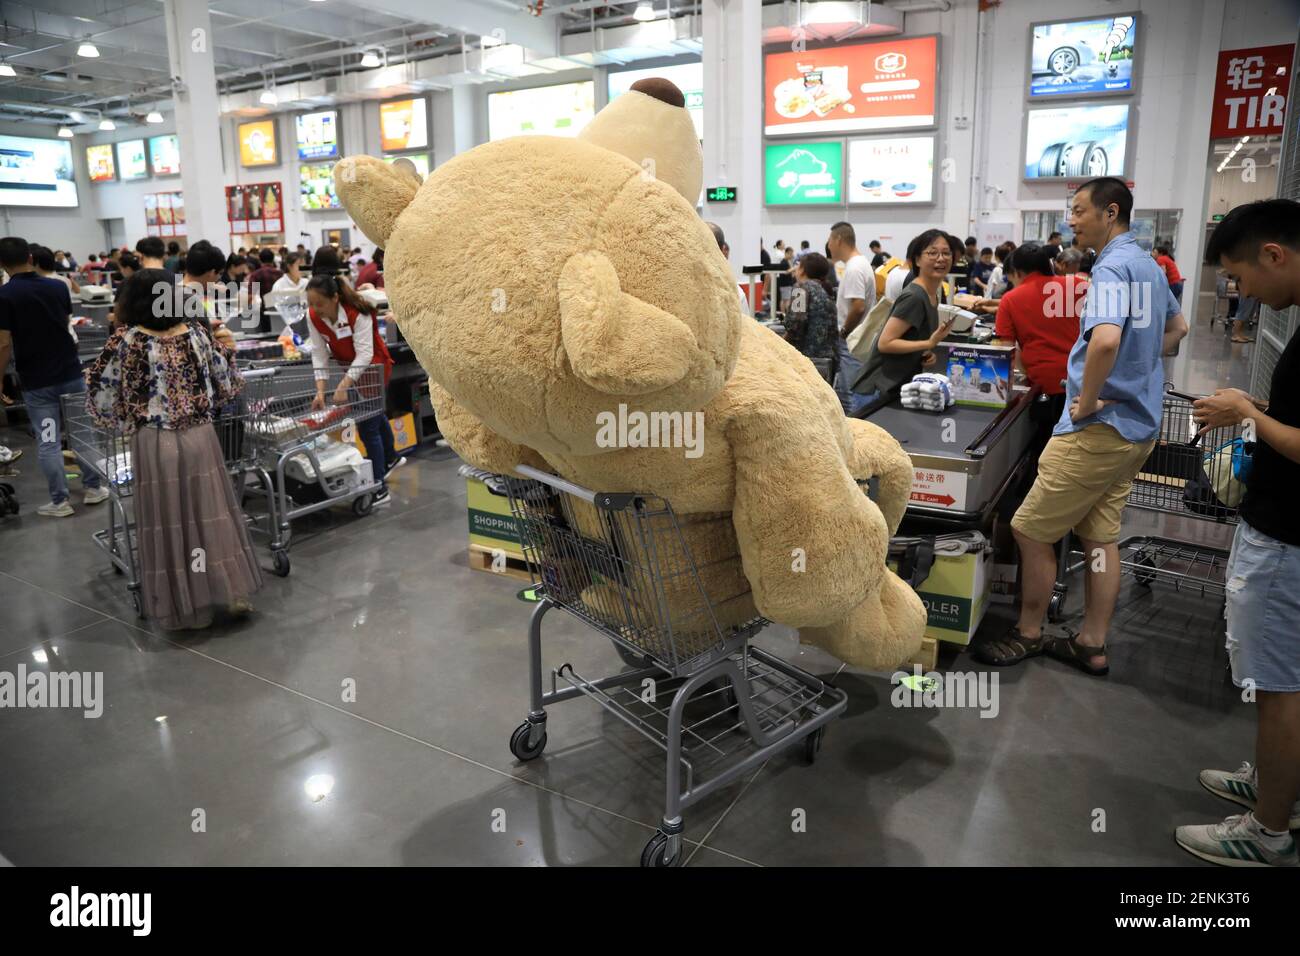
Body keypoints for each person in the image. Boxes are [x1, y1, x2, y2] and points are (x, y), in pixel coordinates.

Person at [976, 177, 1187, 673]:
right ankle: (1091, 641)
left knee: (1029, 529)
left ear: (1109, 212)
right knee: (1099, 536)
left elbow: (1106, 341)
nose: (1069, 220)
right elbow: (1177, 328)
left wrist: (1088, 399)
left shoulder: (1113, 268)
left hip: (1098, 429)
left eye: (1077, 210)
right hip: (1137, 429)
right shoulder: (1150, 267)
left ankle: (1028, 631)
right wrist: (1139, 366)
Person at [1174, 199, 1300, 868]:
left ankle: (1268, 829)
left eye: (1242, 277)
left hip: (1287, 541)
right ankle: (1277, 783)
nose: (1241, 293)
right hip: (1282, 533)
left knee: (1281, 687)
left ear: (1274, 254)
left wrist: (1247, 410)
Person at [85, 270, 263, 629]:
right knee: (209, 515)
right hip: (200, 438)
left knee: (170, 522)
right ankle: (226, 591)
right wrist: (225, 350)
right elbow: (225, 384)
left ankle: (187, 605)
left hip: (155, 442)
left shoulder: (126, 341)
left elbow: (102, 397)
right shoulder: (197, 334)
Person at [0, 236, 106, 516]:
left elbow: (3, 343)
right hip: (71, 374)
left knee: (49, 440)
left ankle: (60, 502)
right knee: (83, 433)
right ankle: (94, 488)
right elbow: (64, 323)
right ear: (31, 258)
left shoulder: (5, 297)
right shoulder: (57, 287)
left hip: (38, 382)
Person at [305, 272, 402, 503]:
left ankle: (378, 486)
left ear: (335, 298)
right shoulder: (313, 316)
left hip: (373, 368)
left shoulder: (358, 312)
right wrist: (320, 390)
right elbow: (319, 353)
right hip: (349, 369)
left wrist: (343, 384)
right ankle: (390, 456)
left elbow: (365, 354)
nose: (315, 308)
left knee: (368, 425)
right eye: (311, 303)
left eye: (319, 303)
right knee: (374, 414)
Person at [992, 242, 1085, 471]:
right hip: (1087, 384)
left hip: (1046, 387)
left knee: (1046, 454)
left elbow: (1007, 351)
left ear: (1017, 272)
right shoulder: (1079, 286)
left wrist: (1028, 372)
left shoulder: (1011, 299)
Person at [852, 229, 955, 406]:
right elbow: (885, 343)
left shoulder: (932, 294)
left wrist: (924, 353)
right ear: (917, 260)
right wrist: (928, 344)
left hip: (894, 388)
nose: (941, 258)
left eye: (946, 253)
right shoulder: (915, 296)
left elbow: (909, 337)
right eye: (932, 253)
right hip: (876, 390)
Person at [827, 221, 876, 415]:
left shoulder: (854, 268)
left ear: (838, 239)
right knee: (849, 393)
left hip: (852, 341)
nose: (829, 245)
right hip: (858, 339)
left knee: (851, 395)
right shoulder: (861, 264)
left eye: (830, 240)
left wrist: (844, 332)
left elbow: (858, 306)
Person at [783, 252, 837, 374]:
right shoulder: (826, 290)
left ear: (802, 270)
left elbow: (795, 325)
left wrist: (779, 344)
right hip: (828, 360)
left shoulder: (800, 288)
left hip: (808, 360)